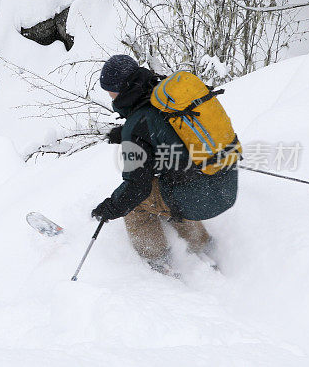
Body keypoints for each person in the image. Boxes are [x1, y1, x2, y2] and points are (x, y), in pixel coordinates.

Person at [91, 55, 238, 275]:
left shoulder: (136, 126)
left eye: (110, 90)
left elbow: (136, 189)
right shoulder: (165, 96)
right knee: (169, 186)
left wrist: (111, 207)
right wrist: (127, 133)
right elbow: (163, 129)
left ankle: (158, 260)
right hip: (225, 179)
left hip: (205, 199)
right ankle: (203, 246)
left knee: (137, 206)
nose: (110, 95)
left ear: (120, 90)